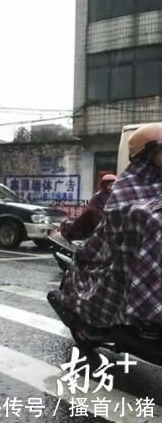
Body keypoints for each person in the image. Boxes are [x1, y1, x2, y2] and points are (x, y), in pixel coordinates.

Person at [60, 123, 162, 341]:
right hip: (113, 254)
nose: (108, 187)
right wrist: (70, 232)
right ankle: (146, 315)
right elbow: (89, 220)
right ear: (148, 154)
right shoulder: (120, 193)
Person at [60, 173, 116, 242]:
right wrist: (101, 213)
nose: (111, 187)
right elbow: (91, 207)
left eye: (113, 184)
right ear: (104, 185)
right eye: (110, 184)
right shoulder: (98, 196)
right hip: (98, 220)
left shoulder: (116, 195)